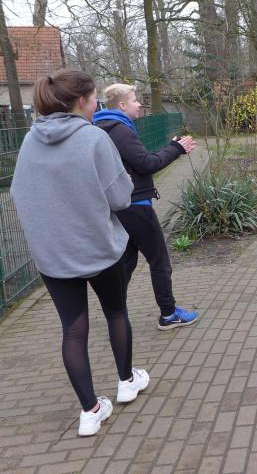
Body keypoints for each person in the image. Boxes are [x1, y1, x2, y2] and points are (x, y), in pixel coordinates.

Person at [10, 69, 149, 437]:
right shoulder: (94, 138)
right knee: (116, 313)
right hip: (99, 249)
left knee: (73, 330)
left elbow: (19, 193)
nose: (96, 105)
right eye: (94, 99)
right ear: (82, 101)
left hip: (53, 256)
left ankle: (90, 411)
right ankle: (126, 381)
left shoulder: (30, 140)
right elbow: (119, 198)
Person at [93, 84, 199, 331]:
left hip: (121, 207)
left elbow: (137, 161)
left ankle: (116, 318)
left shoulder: (103, 128)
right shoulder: (120, 130)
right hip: (136, 206)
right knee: (159, 261)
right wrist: (177, 149)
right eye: (134, 100)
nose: (139, 104)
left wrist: (170, 147)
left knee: (126, 265)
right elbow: (146, 164)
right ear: (122, 105)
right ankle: (169, 314)